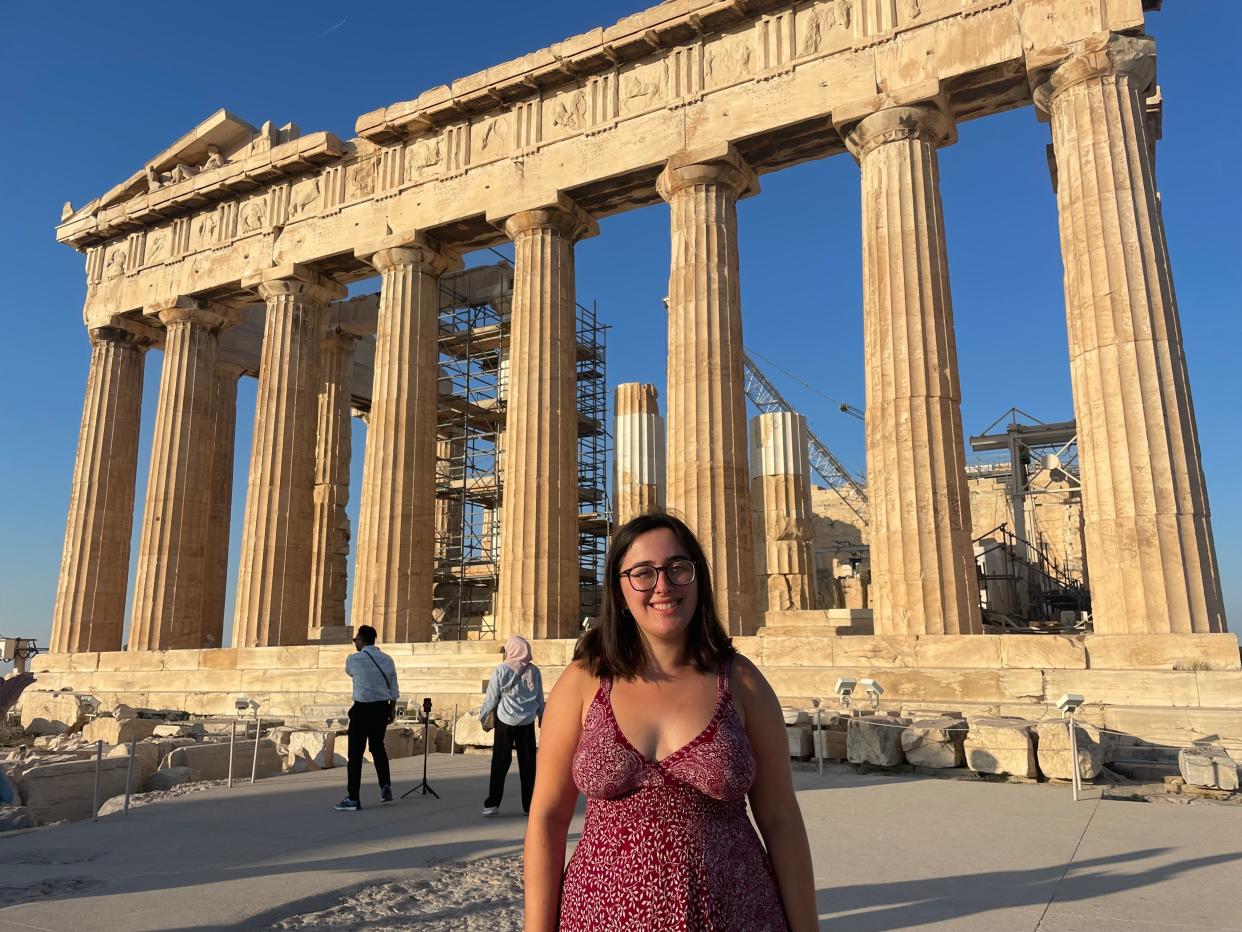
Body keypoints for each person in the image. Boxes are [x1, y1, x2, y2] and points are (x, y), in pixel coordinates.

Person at [524, 512, 818, 931]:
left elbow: (781, 819)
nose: (663, 585)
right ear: (619, 589)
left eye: (678, 568)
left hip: (734, 912)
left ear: (698, 579)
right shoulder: (583, 681)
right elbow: (549, 817)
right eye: (643, 573)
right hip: (599, 915)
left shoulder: (741, 681)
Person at [479, 635, 544, 817]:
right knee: (528, 764)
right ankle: (529, 805)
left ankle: (492, 803)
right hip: (527, 722)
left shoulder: (501, 669)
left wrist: (484, 716)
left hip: (505, 721)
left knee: (500, 762)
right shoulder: (534, 671)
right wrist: (541, 716)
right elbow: (539, 696)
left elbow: (492, 697)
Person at [336, 625, 399, 811]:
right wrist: (392, 709)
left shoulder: (353, 659)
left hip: (362, 709)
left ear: (362, 640)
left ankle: (353, 797)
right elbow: (394, 688)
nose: (354, 642)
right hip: (382, 709)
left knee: (355, 754)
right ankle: (385, 785)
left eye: (356, 639)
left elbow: (349, 672)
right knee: (378, 747)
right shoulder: (387, 659)